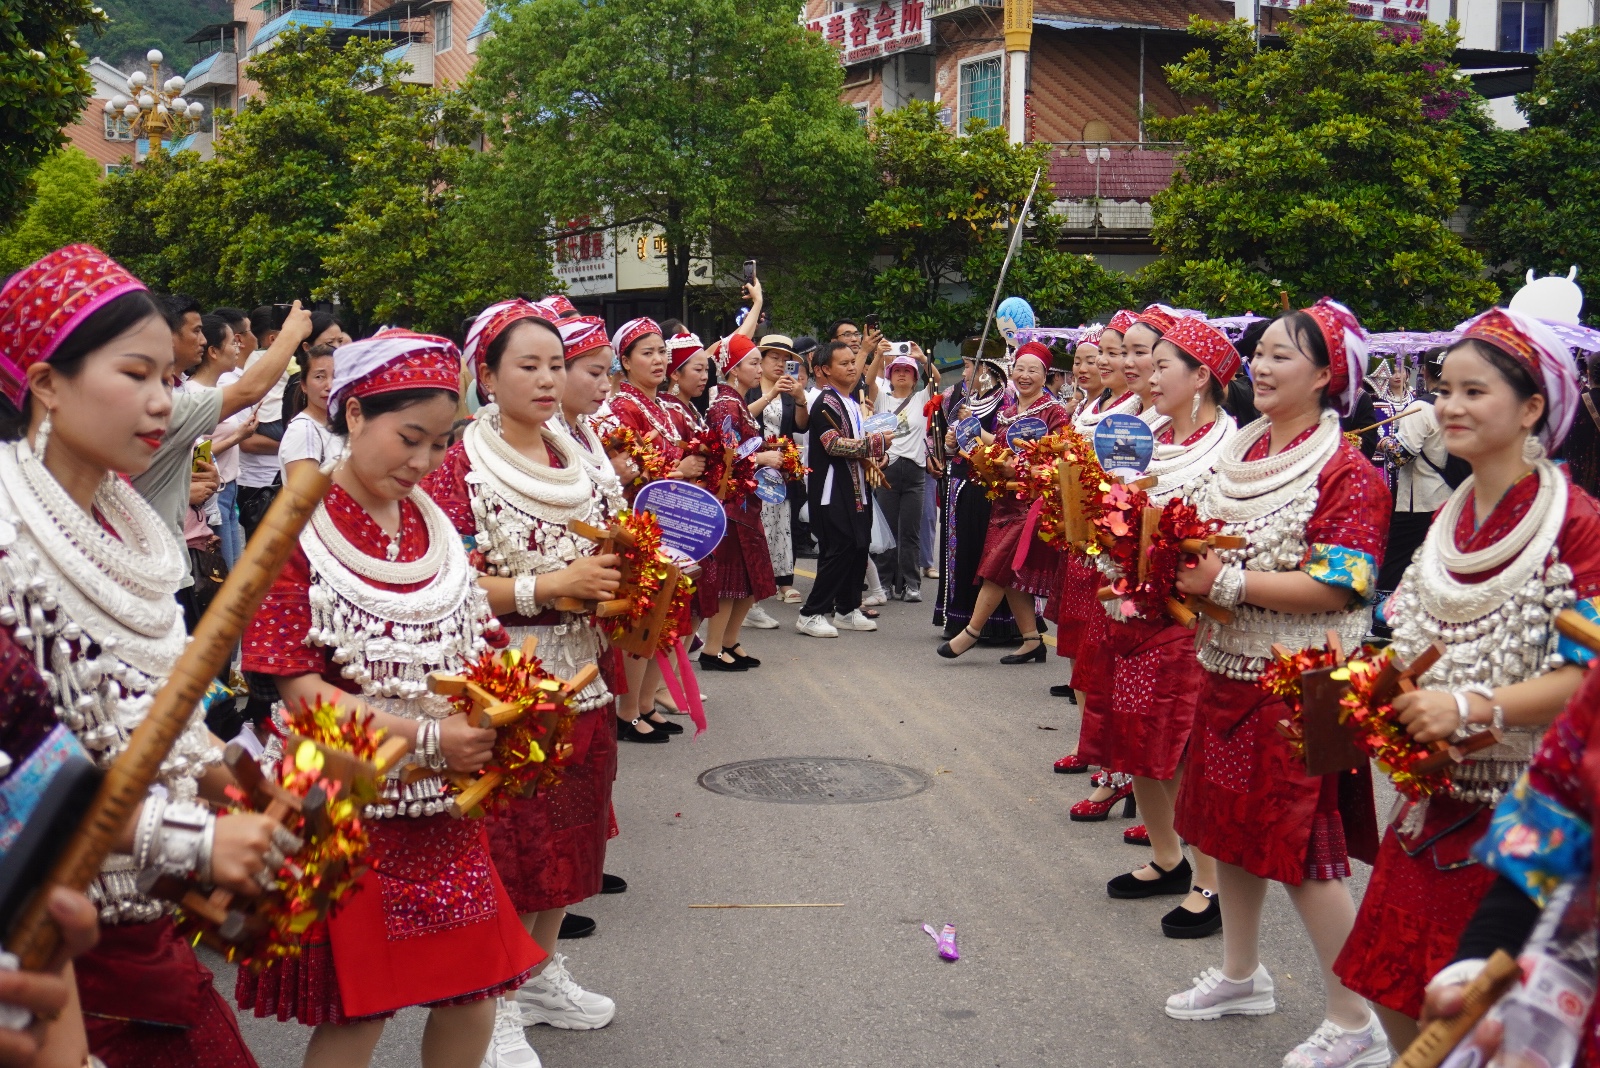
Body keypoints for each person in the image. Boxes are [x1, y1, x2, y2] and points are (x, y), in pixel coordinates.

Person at [0, 244, 282, 1067]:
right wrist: (192, 840)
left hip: (143, 927)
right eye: (136, 374)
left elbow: (161, 712)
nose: (164, 400)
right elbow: (20, 778)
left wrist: (249, 791)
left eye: (170, 376)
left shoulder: (123, 525)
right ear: (46, 383)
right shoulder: (9, 546)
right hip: (46, 948)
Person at [236, 330, 543, 1068]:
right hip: (346, 802)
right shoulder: (294, 528)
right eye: (409, 438)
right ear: (353, 414)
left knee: (474, 990)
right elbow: (301, 696)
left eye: (440, 444)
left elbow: (480, 641)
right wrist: (430, 738)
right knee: (360, 1009)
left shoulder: (430, 525)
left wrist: (511, 707)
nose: (423, 462)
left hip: (441, 806)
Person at [1330, 308, 1597, 1052]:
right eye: (1445, 389)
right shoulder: (1452, 513)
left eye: (1474, 392)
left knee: (1484, 1027)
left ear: (1533, 407)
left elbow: (1591, 678)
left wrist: (1472, 706)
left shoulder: (1576, 524)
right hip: (1430, 806)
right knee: (1392, 988)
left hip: (1528, 816)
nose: (1449, 406)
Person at [1166, 299, 1392, 1068]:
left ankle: (1355, 1020)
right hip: (1228, 670)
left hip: (1310, 688)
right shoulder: (1244, 452)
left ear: (1327, 375)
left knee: (1307, 856)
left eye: (1281, 355)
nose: (1260, 366)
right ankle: (1242, 975)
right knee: (1226, 831)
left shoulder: (1348, 472)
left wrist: (1227, 583)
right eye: (1259, 352)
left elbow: (1343, 584)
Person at [424, 300, 627, 1068]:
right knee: (510, 850)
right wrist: (550, 586)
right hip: (502, 686)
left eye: (555, 365)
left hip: (584, 677)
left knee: (570, 843)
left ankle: (539, 976)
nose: (547, 380)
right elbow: (443, 586)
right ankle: (495, 1004)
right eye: (528, 366)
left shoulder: (576, 455)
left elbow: (613, 549)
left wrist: (633, 582)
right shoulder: (459, 467)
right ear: (486, 374)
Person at [1076, 317, 1241, 939]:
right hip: (1132, 610)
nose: (1147, 373)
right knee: (1137, 737)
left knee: (1181, 747)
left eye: (1162, 364)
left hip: (1189, 617)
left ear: (1201, 378)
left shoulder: (1231, 451)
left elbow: (1229, 537)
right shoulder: (1143, 435)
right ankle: (1169, 859)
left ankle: (1210, 882)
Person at [132, 294, 312, 605]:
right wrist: (292, 333)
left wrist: (189, 483)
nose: (203, 340)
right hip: (153, 571)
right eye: (195, 331)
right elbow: (248, 390)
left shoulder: (165, 394)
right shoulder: (160, 405)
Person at [606, 318, 706, 740]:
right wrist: (679, 469)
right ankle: (627, 710)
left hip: (672, 525)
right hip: (641, 525)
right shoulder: (621, 407)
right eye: (647, 353)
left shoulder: (662, 406)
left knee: (668, 615)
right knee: (643, 618)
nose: (658, 360)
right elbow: (625, 469)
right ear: (626, 361)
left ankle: (646, 703)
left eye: (662, 352)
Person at [1049, 311, 1140, 771]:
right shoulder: (1093, 406)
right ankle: (1090, 744)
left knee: (1103, 653)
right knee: (1078, 646)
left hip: (1109, 547)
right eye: (1098, 353)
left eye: (1113, 353)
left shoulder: (1138, 414)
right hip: (1080, 542)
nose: (1102, 362)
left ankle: (1112, 759)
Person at [936, 341, 1067, 662]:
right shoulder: (1008, 412)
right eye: (1020, 369)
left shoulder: (1055, 412)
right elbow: (999, 446)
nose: (1025, 376)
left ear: (1045, 375)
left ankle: (970, 632)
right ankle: (1032, 640)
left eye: (1033, 370)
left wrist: (1020, 467)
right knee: (1006, 572)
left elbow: (1059, 459)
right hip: (1004, 501)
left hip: (1032, 503)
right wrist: (970, 435)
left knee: (996, 567)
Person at [700, 333, 784, 668]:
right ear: (734, 369)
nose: (759, 368)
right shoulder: (725, 404)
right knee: (731, 581)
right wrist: (762, 459)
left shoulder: (735, 402)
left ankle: (729, 642)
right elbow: (723, 455)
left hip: (745, 502)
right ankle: (712, 649)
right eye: (753, 362)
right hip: (731, 504)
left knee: (749, 579)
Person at [796, 339, 891, 638]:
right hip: (832, 489)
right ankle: (811, 613)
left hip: (857, 487)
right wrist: (876, 443)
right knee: (839, 549)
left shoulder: (850, 401)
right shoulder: (825, 402)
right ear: (825, 369)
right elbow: (833, 445)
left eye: (853, 362)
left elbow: (858, 446)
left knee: (859, 546)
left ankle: (847, 609)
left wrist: (879, 455)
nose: (852, 367)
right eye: (844, 363)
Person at [931, 338, 1019, 643]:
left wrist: (974, 428)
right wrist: (951, 442)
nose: (964, 373)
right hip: (961, 481)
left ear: (986, 369)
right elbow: (953, 444)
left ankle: (996, 624)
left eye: (969, 366)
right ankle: (958, 617)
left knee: (990, 553)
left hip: (990, 484)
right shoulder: (961, 400)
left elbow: (1006, 443)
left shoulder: (1007, 400)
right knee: (961, 550)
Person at [746, 334, 810, 610]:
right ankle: (755, 580)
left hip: (781, 466)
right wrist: (770, 394)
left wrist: (800, 399)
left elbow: (801, 426)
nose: (781, 364)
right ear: (760, 360)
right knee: (757, 522)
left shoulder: (788, 392)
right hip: (754, 463)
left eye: (786, 360)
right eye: (775, 358)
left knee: (784, 521)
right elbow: (742, 417)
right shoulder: (750, 389)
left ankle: (784, 580)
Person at [868, 348, 934, 602]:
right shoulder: (882, 400)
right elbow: (868, 382)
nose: (902, 374)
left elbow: (935, 380)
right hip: (888, 471)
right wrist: (877, 355)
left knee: (910, 532)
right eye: (897, 370)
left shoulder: (921, 398)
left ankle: (911, 584)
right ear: (890, 376)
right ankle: (884, 583)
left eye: (907, 370)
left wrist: (923, 358)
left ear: (915, 377)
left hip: (915, 471)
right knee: (886, 531)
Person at [279, 343, 336, 481]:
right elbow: (301, 493)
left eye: (336, 376)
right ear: (304, 385)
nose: (330, 386)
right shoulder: (304, 431)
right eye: (319, 377)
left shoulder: (341, 424)